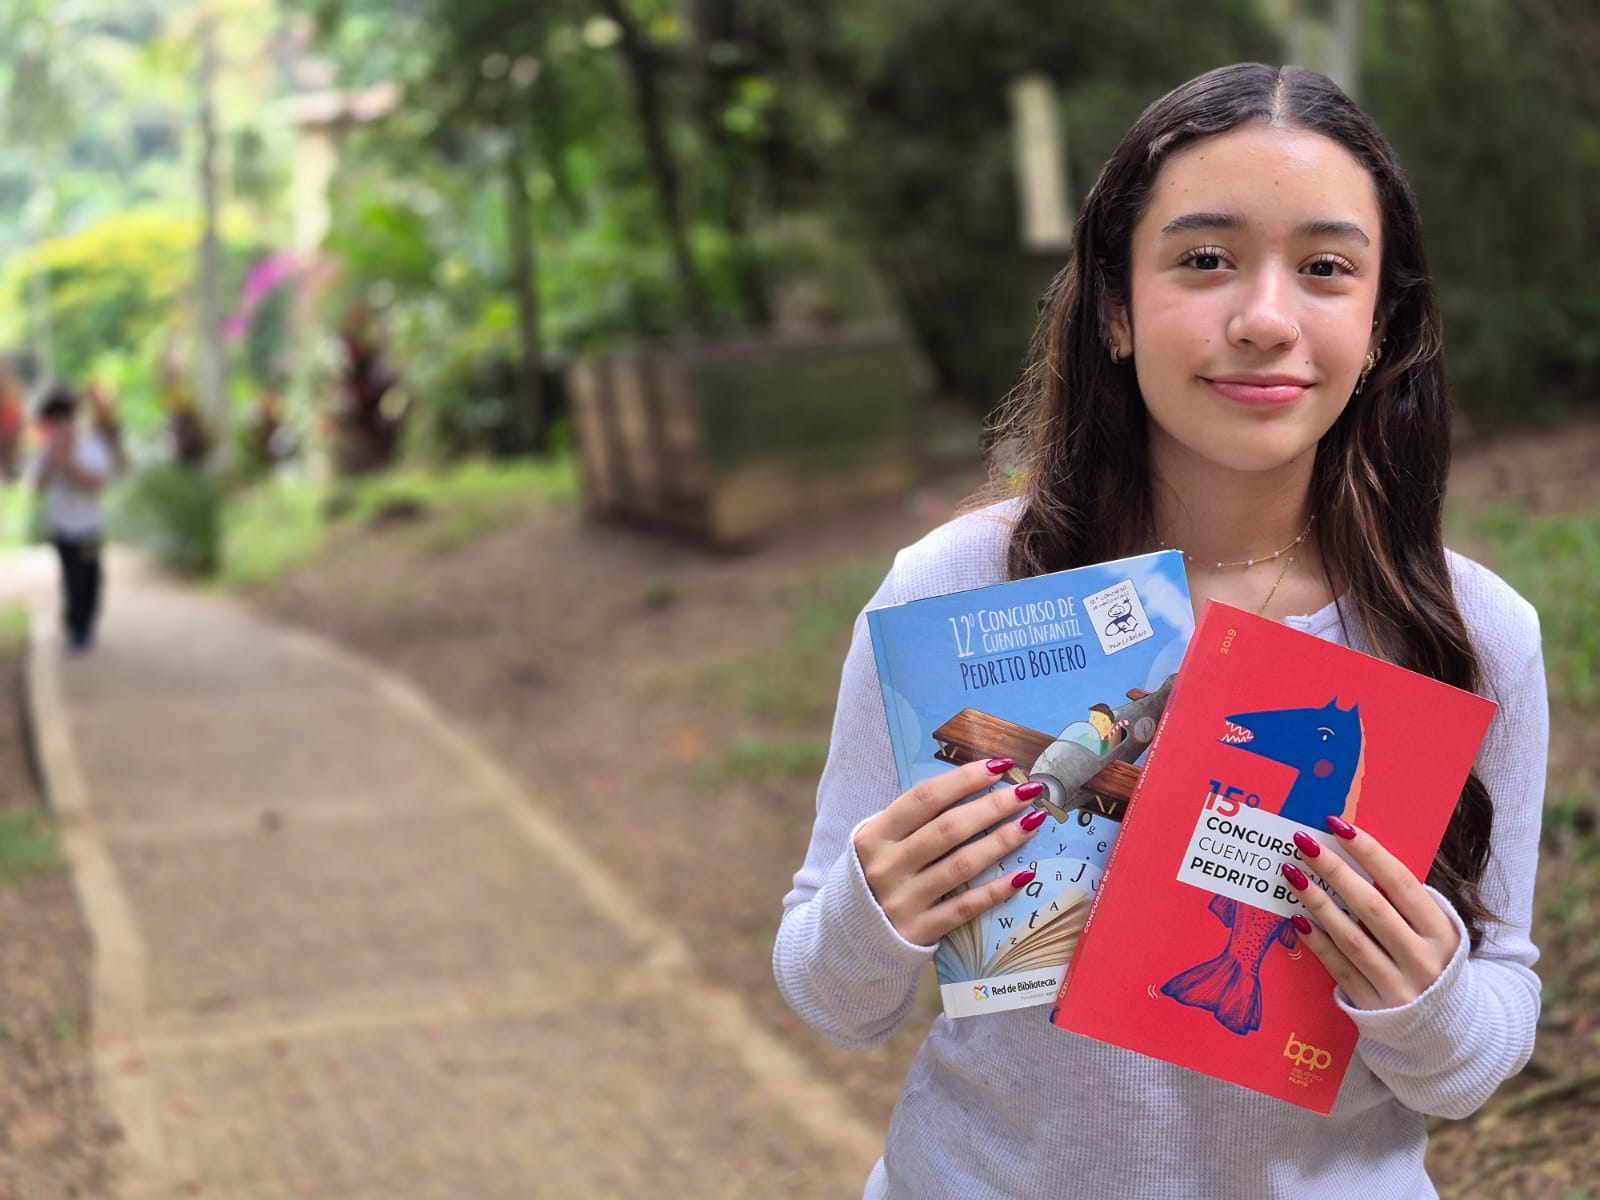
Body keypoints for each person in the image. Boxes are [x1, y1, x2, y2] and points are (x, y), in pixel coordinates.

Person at [774, 63, 1546, 1199]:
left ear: (1382, 325)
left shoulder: (1472, 633)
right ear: (1115, 310)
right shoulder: (956, 590)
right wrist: (874, 908)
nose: (1265, 318)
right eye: (1204, 260)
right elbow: (831, 998)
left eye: (1326, 268)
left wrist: (1423, 997)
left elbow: (1479, 1048)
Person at [29, 386, 114, 653]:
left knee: (90, 581)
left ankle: (85, 626)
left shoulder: (90, 448)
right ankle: (75, 630)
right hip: (63, 529)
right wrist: (53, 461)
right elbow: (37, 487)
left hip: (88, 528)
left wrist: (69, 463)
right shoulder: (47, 453)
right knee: (72, 580)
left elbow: (96, 484)